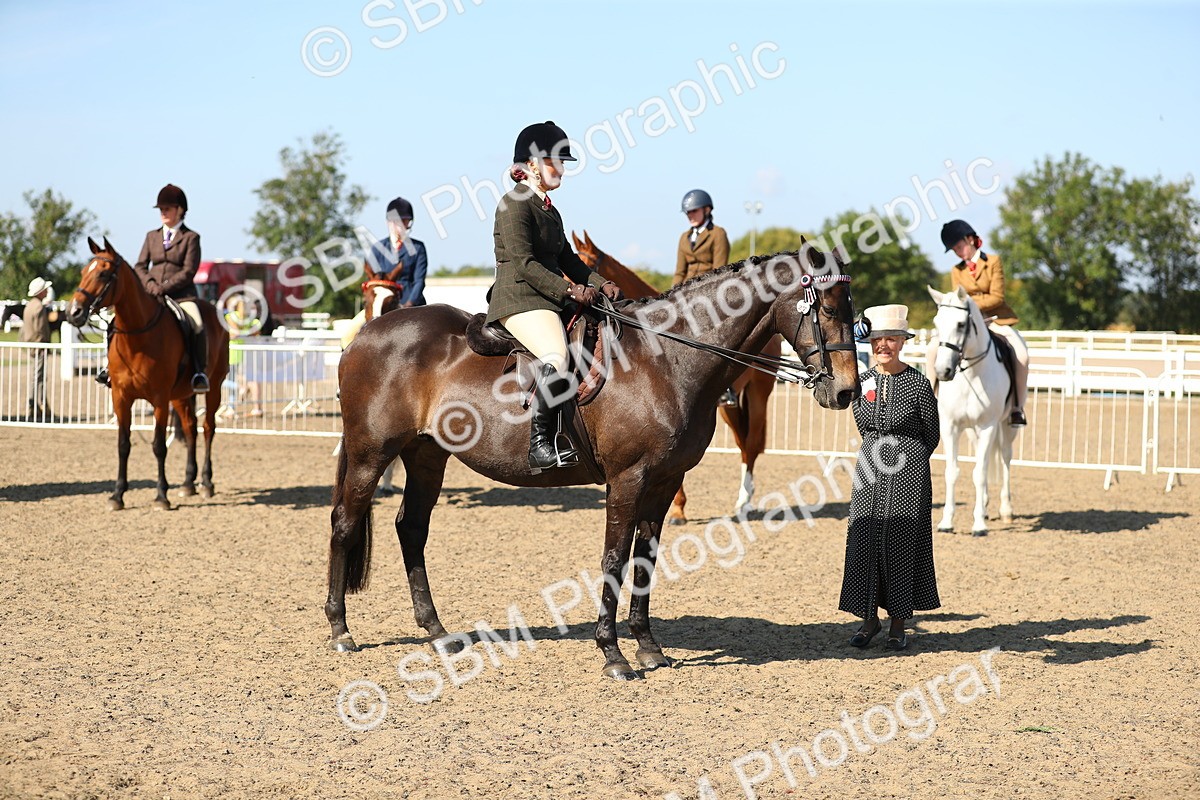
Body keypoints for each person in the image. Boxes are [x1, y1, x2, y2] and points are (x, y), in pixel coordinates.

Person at [485, 120, 622, 472]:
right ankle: (540, 444)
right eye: (554, 161)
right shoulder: (514, 204)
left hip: (546, 296)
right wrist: (570, 289)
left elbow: (569, 260)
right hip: (519, 298)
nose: (561, 168)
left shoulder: (548, 208)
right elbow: (525, 263)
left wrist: (600, 282)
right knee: (556, 354)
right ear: (531, 164)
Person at [839, 304, 940, 651]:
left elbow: (932, 434)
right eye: (878, 340)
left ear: (902, 342)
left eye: (891, 340)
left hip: (909, 473)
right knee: (864, 540)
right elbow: (862, 424)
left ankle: (898, 624)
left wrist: (908, 460)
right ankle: (869, 620)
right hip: (869, 472)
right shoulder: (862, 382)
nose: (884, 346)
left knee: (901, 543)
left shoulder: (918, 383)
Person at [96, 183, 208, 393]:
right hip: (150, 293)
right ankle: (108, 367)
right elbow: (140, 265)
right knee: (114, 322)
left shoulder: (191, 238)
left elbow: (188, 270)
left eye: (167, 209)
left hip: (181, 295)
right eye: (161, 210)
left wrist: (164, 287)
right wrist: (149, 284)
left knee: (197, 324)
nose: (163, 213)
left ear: (180, 210)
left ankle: (198, 372)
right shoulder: (151, 236)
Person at [938, 219, 1029, 427]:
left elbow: (997, 297)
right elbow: (956, 300)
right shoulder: (956, 270)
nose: (959, 253)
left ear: (970, 240)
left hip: (996, 320)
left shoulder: (994, 262)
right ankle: (936, 400)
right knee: (934, 350)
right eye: (955, 250)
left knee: (1022, 356)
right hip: (967, 326)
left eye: (960, 247)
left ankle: (1017, 408)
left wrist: (969, 304)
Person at [674, 189, 736, 406]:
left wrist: (699, 296)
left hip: (709, 295)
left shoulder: (718, 234)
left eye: (694, 211)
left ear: (707, 210)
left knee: (721, 334)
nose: (690, 215)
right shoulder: (684, 237)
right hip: (685, 295)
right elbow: (680, 272)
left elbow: (719, 271)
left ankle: (727, 388)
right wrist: (672, 297)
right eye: (687, 212)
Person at [366, 196, 428, 308]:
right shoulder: (377, 248)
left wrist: (409, 304)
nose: (402, 225)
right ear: (389, 222)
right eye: (398, 221)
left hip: (411, 304)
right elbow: (372, 280)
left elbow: (419, 281)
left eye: (405, 221)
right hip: (383, 303)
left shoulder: (418, 248)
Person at [21, 276, 56, 422]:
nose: (47, 291)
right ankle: (33, 405)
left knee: (37, 376)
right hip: (39, 346)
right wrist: (45, 345)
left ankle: (41, 405)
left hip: (31, 345)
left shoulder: (29, 306)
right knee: (38, 377)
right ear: (41, 291)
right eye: (45, 289)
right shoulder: (39, 307)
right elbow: (41, 330)